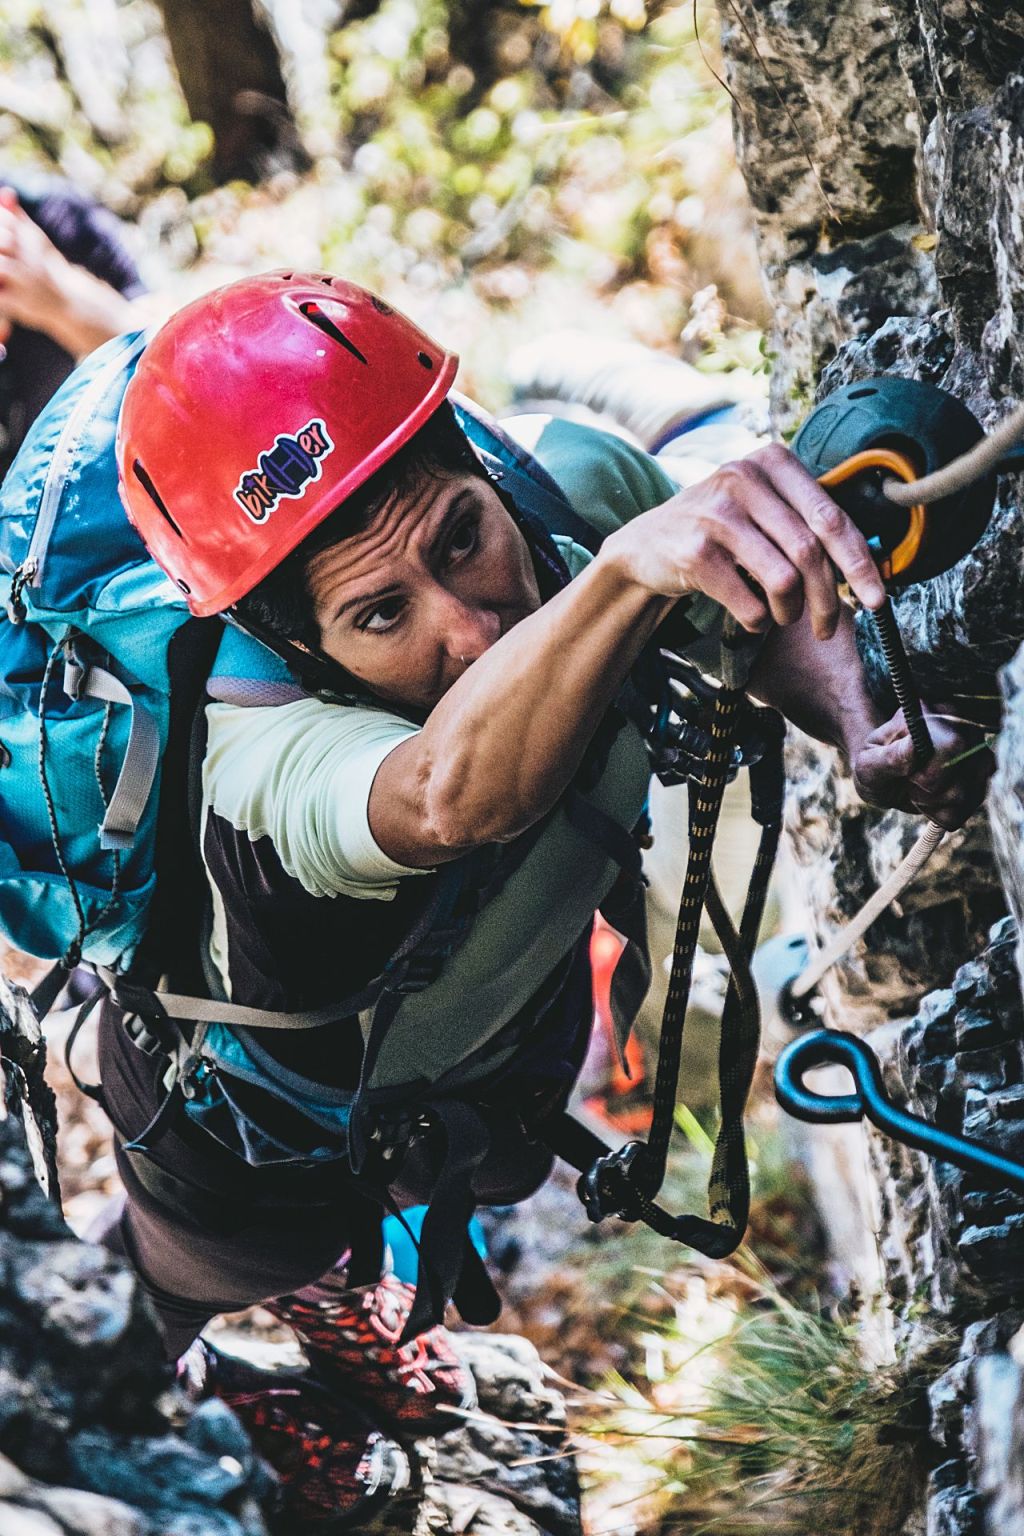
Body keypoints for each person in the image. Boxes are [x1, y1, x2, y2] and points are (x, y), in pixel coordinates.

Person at [103, 272, 988, 1527]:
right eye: (380, 614)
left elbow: (728, 604)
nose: (469, 627)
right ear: (292, 644)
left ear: (478, 464)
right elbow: (443, 798)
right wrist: (625, 573)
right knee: (164, 1303)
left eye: (461, 536)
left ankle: (349, 1314)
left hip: (480, 1056)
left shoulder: (565, 490)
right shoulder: (250, 756)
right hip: (242, 1133)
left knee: (399, 1228)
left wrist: (857, 715)